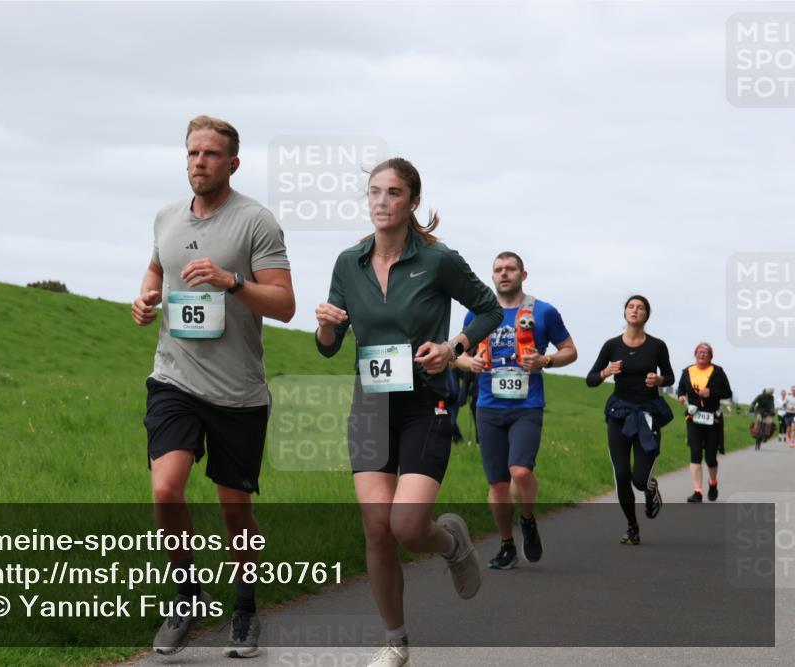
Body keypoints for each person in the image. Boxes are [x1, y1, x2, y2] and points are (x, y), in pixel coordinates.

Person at [315, 157, 502, 667]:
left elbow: (490, 308)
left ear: (413, 200)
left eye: (393, 192)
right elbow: (328, 347)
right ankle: (395, 642)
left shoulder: (438, 261)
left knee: (407, 525)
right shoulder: (347, 263)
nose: (381, 201)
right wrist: (328, 325)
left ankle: (450, 544)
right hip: (371, 402)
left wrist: (453, 344)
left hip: (426, 401)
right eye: (374, 192)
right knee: (377, 527)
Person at [132, 115, 295, 658]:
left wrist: (232, 281)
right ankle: (187, 595)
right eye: (191, 153)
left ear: (232, 163)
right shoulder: (165, 218)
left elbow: (285, 304)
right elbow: (158, 269)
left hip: (238, 392)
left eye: (209, 154)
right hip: (174, 378)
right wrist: (145, 298)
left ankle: (245, 607)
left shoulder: (256, 222)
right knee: (165, 488)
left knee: (234, 511)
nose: (198, 162)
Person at [456, 252, 577, 569]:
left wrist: (544, 361)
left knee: (520, 471)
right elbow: (456, 353)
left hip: (527, 405)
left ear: (524, 274)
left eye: (510, 269)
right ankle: (506, 545)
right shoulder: (478, 315)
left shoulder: (544, 311)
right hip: (488, 406)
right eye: (497, 270)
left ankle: (527, 519)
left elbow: (570, 351)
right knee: (497, 484)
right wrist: (467, 361)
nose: (503, 274)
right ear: (492, 277)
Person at [586, 295, 675, 545]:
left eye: (640, 308)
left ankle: (649, 488)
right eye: (631, 307)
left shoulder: (657, 346)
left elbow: (670, 376)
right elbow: (591, 379)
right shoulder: (611, 345)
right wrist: (606, 371)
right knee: (622, 474)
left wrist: (659, 381)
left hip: (648, 415)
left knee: (639, 479)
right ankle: (632, 526)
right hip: (620, 415)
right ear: (624, 312)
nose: (635, 311)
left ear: (647, 315)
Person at [676, 342, 733, 502]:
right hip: (693, 417)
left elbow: (727, 392)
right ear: (695, 354)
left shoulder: (718, 372)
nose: (702, 354)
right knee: (695, 452)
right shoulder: (687, 371)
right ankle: (698, 491)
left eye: (706, 352)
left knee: (710, 457)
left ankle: (713, 483)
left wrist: (711, 392)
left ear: (710, 356)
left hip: (712, 418)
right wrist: (681, 396)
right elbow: (681, 388)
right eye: (699, 352)